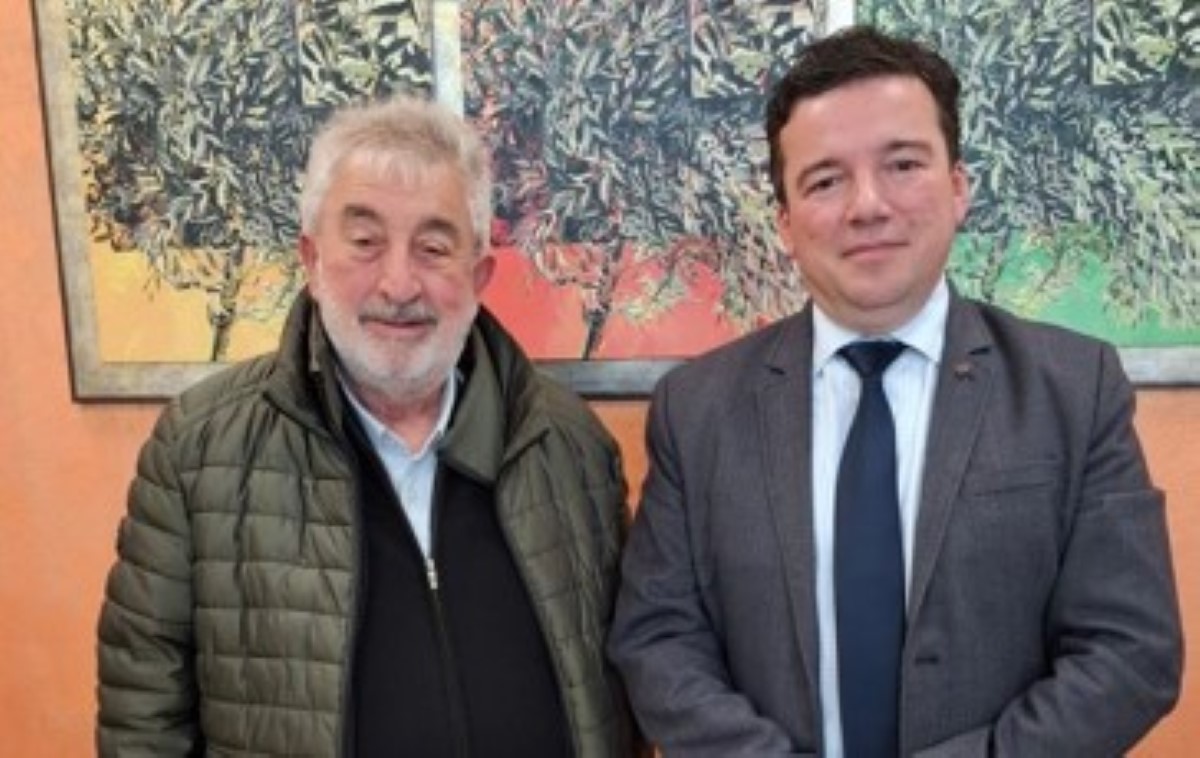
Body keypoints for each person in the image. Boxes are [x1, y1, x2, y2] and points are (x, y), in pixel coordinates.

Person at [607, 25, 1183, 757]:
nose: (867, 205)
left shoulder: (1074, 389)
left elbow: (1130, 652)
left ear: (958, 187)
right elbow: (659, 641)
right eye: (825, 180)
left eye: (903, 164)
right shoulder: (697, 410)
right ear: (784, 222)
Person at [96, 95, 638, 756]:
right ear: (311, 260)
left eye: (433, 247)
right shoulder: (198, 450)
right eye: (365, 242)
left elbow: (623, 697)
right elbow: (142, 722)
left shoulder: (573, 446)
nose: (399, 284)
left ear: (479, 275)